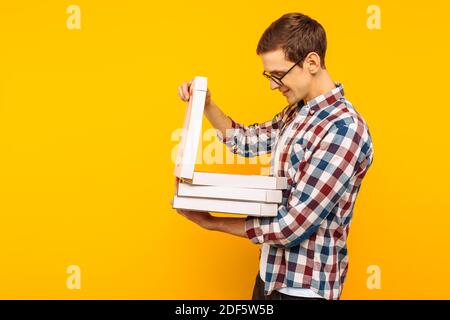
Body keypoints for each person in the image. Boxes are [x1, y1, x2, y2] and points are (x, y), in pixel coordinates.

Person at [174, 12, 374, 300]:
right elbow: (245, 142)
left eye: (278, 75)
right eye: (269, 75)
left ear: (312, 63)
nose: (272, 84)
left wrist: (212, 221)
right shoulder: (298, 113)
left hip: (305, 291)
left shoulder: (343, 130)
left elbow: (292, 225)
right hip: (270, 279)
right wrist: (206, 105)